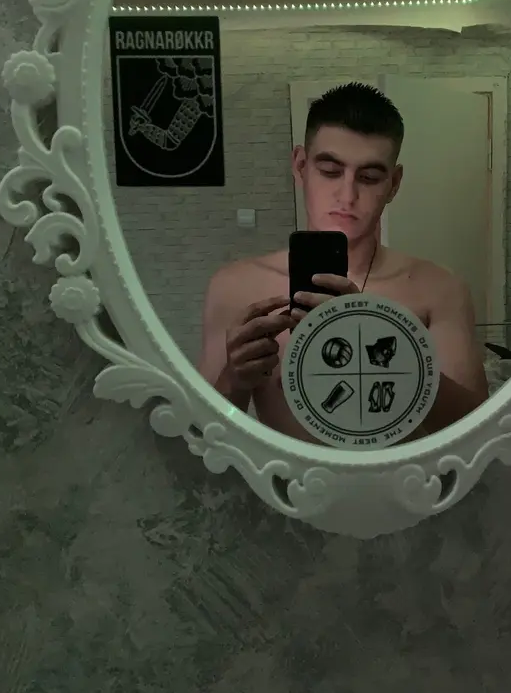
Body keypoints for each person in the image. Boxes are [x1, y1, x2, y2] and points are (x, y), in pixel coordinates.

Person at [198, 82, 489, 442]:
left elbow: (475, 432)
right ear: (300, 165)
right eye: (330, 171)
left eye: (369, 178)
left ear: (394, 183)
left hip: (404, 477)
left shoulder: (438, 289)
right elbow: (206, 437)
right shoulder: (237, 288)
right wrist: (235, 379)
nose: (347, 195)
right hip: (289, 477)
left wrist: (379, 338)